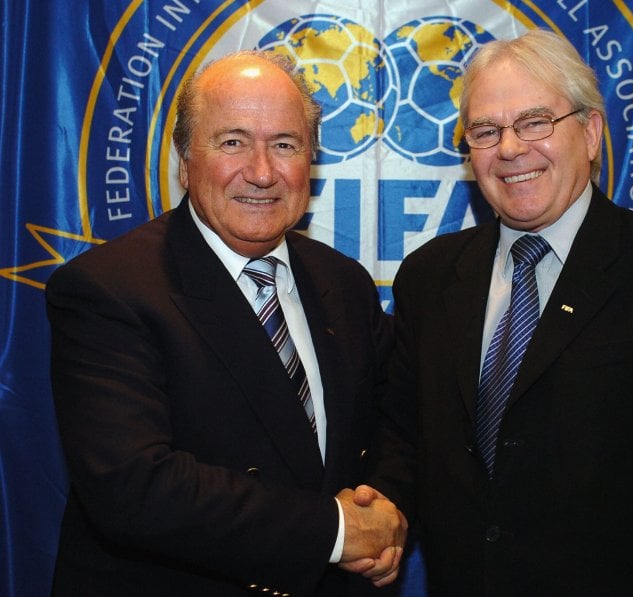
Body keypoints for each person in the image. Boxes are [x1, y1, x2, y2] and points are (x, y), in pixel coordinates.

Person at [365, 30, 633, 595]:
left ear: (590, 133)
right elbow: (405, 438)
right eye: (486, 131)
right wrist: (378, 513)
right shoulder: (430, 276)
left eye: (535, 122)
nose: (510, 149)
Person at [46, 51, 406, 596]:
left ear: (310, 160)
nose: (261, 172)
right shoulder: (107, 289)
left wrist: (383, 515)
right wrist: (336, 532)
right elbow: (134, 487)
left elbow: (393, 423)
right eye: (233, 142)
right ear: (185, 161)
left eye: (284, 145)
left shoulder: (344, 282)